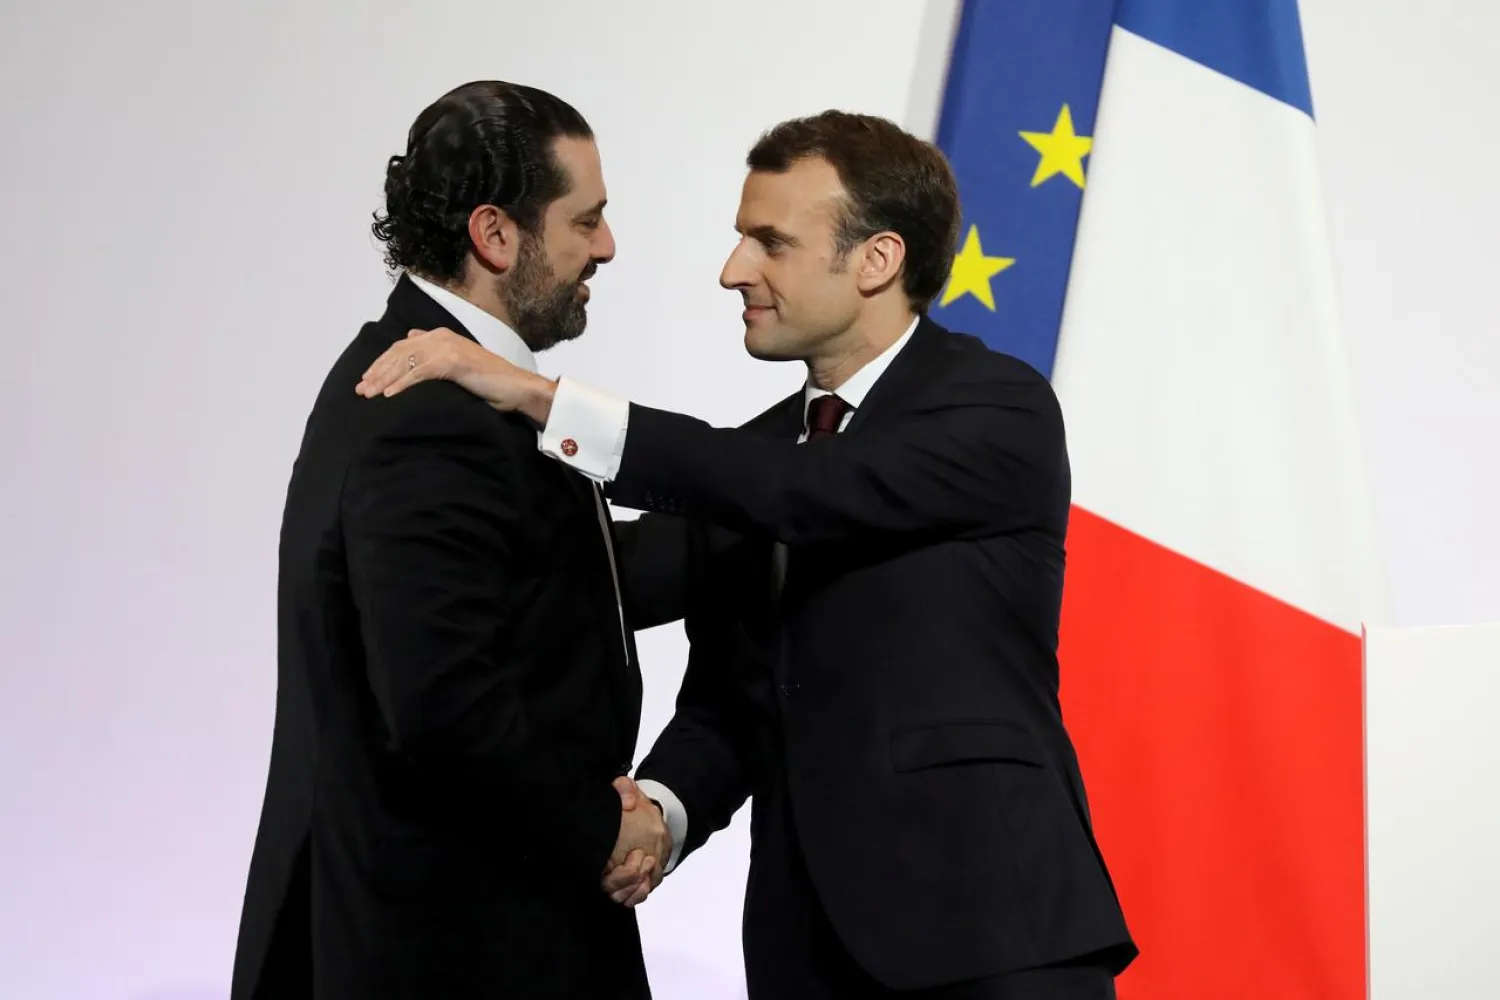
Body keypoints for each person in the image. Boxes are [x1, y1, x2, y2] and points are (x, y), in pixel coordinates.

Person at [359, 110, 1137, 998]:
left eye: (770, 243)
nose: (735, 272)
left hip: (995, 942)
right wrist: (658, 813)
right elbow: (726, 693)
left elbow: (815, 494)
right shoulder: (759, 460)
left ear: (876, 261)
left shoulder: (997, 411)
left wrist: (540, 397)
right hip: (804, 954)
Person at [230, 80, 678, 1000]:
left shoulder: (445, 383)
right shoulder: (424, 409)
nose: (606, 246)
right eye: (585, 220)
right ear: (495, 234)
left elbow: (564, 586)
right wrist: (609, 828)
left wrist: (800, 484)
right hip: (447, 946)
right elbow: (444, 705)